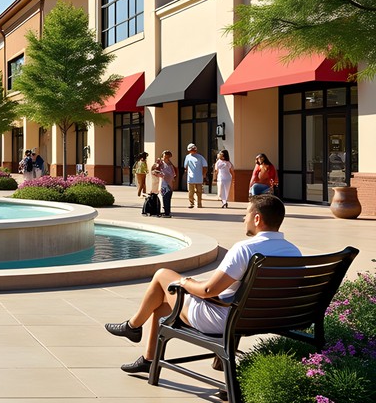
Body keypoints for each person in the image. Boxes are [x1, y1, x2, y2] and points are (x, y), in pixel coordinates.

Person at [103, 193, 299, 373]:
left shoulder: (246, 249)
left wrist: (187, 283)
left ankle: (133, 326)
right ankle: (147, 357)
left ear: (257, 219)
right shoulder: (293, 252)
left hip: (225, 320)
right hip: (265, 318)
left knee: (163, 276)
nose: (243, 219)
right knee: (162, 302)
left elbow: (207, 291)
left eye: (246, 215)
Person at [151, 150, 176, 218]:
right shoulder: (160, 162)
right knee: (165, 196)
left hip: (169, 182)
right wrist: (159, 174)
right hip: (163, 183)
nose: (166, 157)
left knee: (168, 197)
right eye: (165, 156)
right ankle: (166, 211)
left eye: (167, 156)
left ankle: (167, 211)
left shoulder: (170, 164)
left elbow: (173, 173)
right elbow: (154, 170)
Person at [183, 143, 209, 209]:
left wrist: (204, 174)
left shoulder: (200, 157)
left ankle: (199, 203)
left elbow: (205, 166)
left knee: (199, 192)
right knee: (190, 192)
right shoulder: (187, 157)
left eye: (193, 149)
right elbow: (185, 166)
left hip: (199, 177)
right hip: (190, 178)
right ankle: (191, 203)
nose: (192, 151)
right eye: (191, 149)